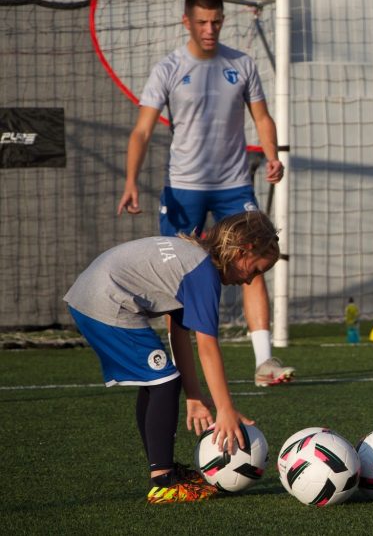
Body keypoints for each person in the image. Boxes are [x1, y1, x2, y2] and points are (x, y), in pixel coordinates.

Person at [117, 0, 294, 387]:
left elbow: (262, 118)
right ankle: (179, 367)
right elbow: (142, 131)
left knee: (256, 261)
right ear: (187, 22)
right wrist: (130, 181)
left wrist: (272, 155)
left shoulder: (241, 64)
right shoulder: (168, 68)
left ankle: (264, 362)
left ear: (223, 21)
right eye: (202, 22)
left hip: (234, 185)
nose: (209, 29)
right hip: (184, 188)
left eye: (216, 22)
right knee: (177, 277)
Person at [64, 210, 281, 503]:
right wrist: (225, 409)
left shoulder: (194, 259)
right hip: (106, 302)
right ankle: (164, 480)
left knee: (159, 381)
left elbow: (179, 333)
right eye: (254, 271)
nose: (249, 281)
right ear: (243, 251)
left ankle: (163, 469)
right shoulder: (203, 273)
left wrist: (194, 396)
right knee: (163, 382)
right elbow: (207, 347)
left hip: (92, 295)